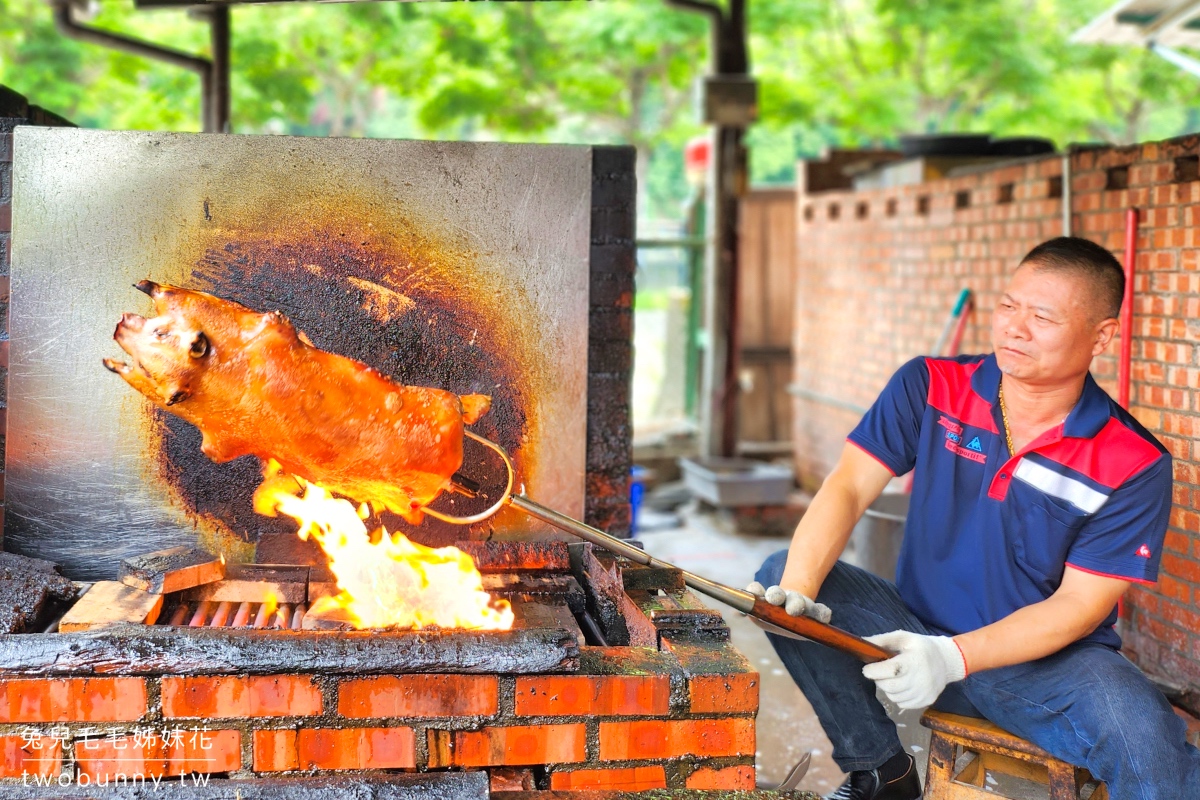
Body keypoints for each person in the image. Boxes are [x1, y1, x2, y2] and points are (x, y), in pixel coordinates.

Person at [750, 237, 1200, 800]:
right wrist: (798, 590)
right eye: (1009, 307)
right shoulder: (931, 384)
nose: (1015, 328)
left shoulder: (1133, 460)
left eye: (1042, 317)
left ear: (1102, 335)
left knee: (1147, 731)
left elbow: (1081, 607)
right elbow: (846, 485)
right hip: (912, 627)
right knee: (781, 576)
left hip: (1042, 663)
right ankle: (880, 771)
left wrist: (953, 657)